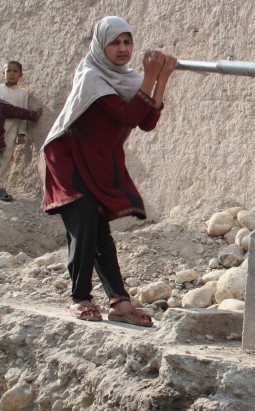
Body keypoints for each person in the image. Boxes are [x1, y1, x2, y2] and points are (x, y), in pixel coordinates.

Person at [39, 16, 176, 326]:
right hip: (68, 156)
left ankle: (119, 302)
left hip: (97, 159)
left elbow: (146, 121)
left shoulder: (126, 79)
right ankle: (80, 298)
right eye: (115, 42)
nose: (123, 48)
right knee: (85, 217)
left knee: (99, 226)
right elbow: (127, 115)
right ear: (101, 46)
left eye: (127, 42)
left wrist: (161, 79)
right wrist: (151, 75)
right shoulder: (91, 77)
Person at [0, 61, 41, 202]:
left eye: (15, 71)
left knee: (6, 156)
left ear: (20, 75)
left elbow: (23, 112)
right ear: (3, 73)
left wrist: (21, 133)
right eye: (8, 70)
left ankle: (0, 187)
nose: (11, 73)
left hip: (11, 130)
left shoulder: (23, 94)